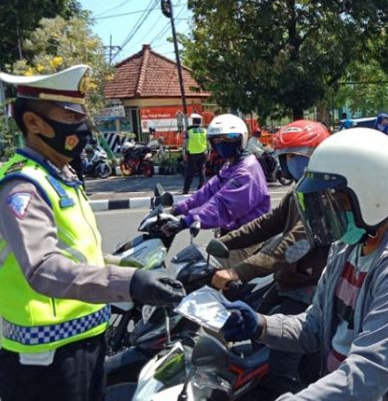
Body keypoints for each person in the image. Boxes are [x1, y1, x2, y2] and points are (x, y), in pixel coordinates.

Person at [220, 128, 388, 400]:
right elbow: (314, 326)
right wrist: (260, 325)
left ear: (371, 196)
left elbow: (369, 373)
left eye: (333, 200)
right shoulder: (346, 247)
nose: (324, 211)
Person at [0, 65, 185, 401]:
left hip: (84, 340)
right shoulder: (22, 186)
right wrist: (127, 283)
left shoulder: (60, 176)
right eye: (71, 117)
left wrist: (132, 267)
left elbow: (78, 254)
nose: (84, 126)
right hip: (44, 358)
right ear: (33, 122)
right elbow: (42, 268)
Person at [208, 120, 331, 399]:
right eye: (286, 157)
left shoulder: (324, 194)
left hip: (307, 290)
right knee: (254, 336)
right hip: (288, 281)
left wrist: (239, 271)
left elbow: (292, 244)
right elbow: (270, 223)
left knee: (279, 371)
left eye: (298, 156)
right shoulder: (302, 188)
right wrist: (225, 242)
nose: (291, 163)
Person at [168, 114, 271, 263]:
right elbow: (208, 191)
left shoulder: (246, 170)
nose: (222, 144)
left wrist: (187, 221)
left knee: (203, 270)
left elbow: (222, 204)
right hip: (233, 235)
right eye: (217, 140)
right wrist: (178, 209)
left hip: (249, 240)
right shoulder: (230, 165)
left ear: (241, 139)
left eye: (228, 139)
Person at [182, 113, 207, 194]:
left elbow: (185, 143)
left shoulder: (189, 131)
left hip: (192, 153)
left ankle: (186, 190)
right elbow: (208, 142)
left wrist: (184, 153)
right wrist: (209, 152)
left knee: (190, 172)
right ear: (200, 122)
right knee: (201, 172)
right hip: (202, 153)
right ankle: (201, 189)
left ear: (193, 121)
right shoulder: (204, 130)